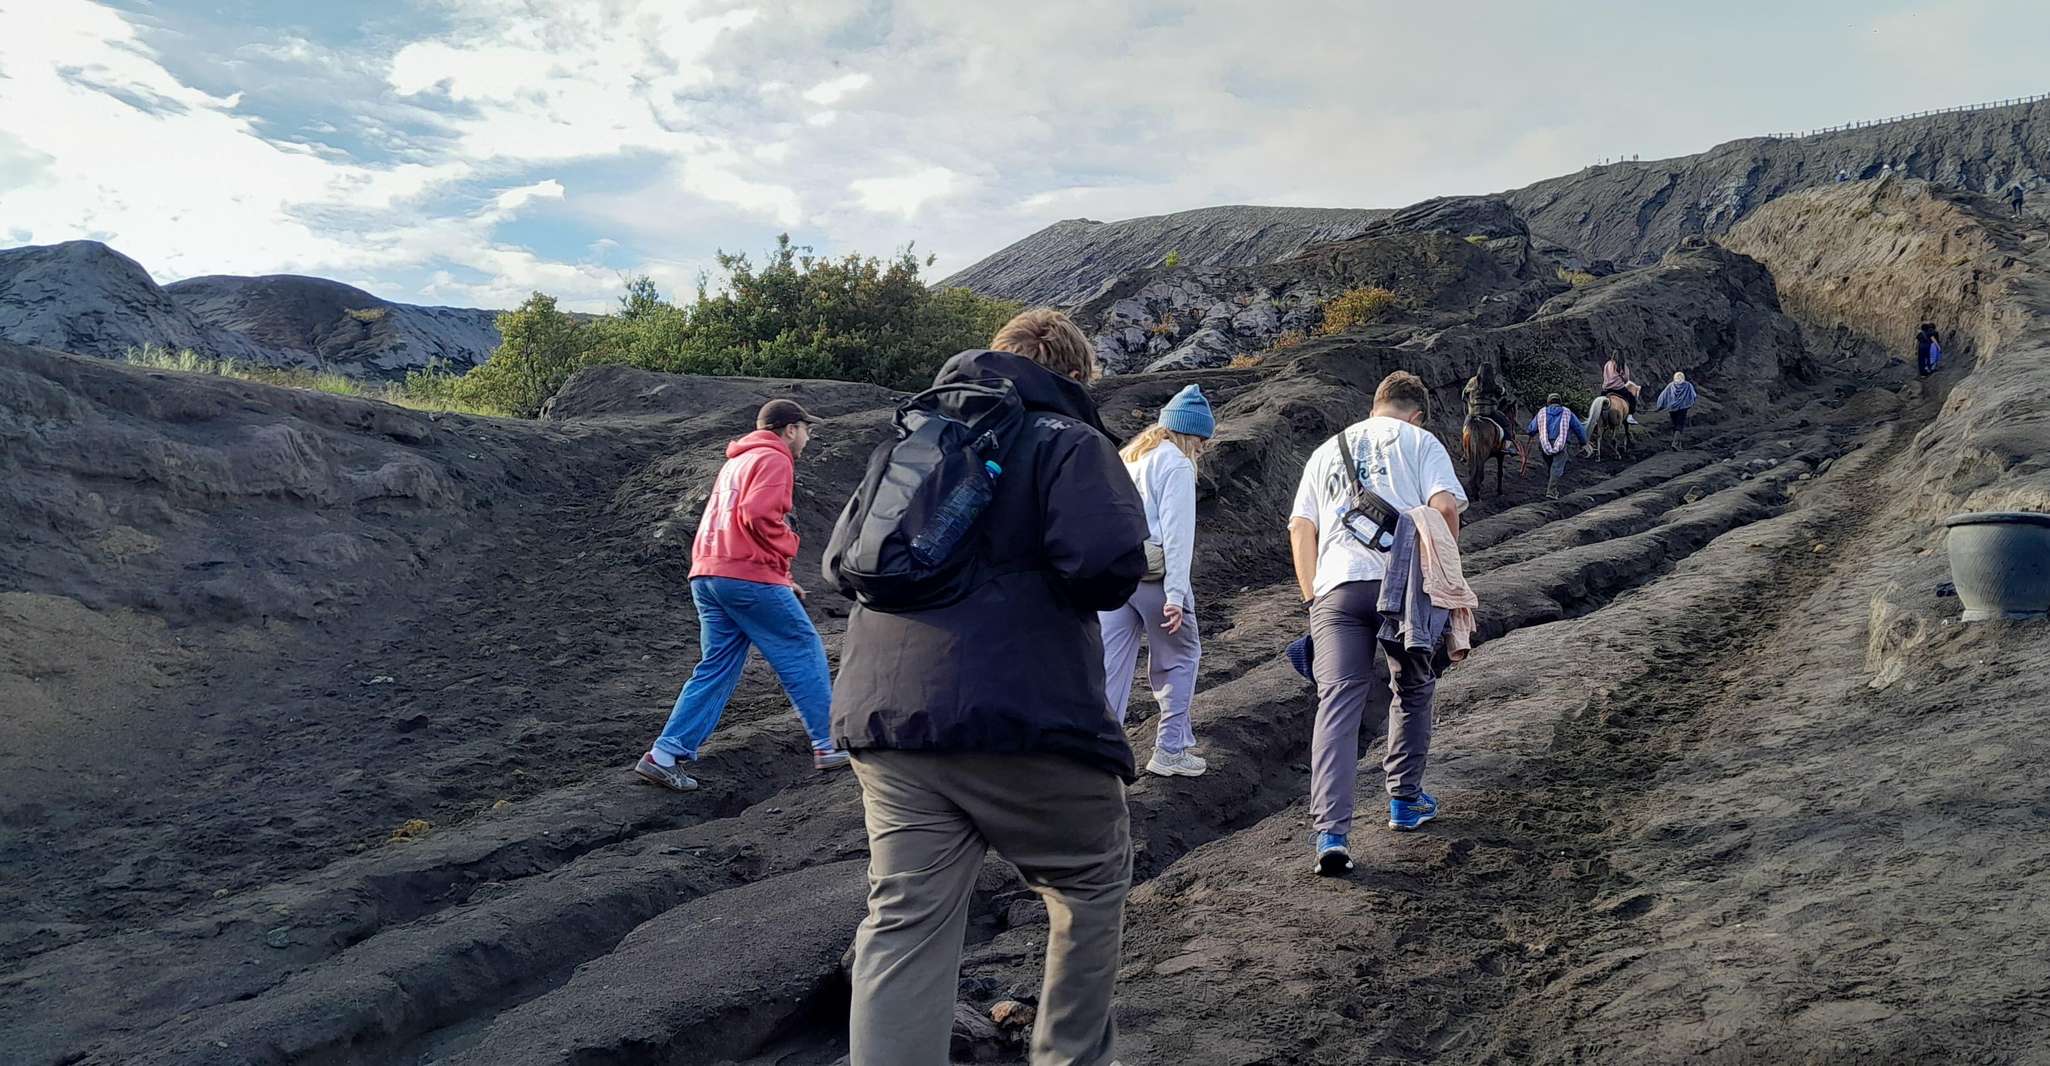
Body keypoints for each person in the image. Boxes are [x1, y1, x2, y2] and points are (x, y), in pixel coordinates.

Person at [834, 309, 1150, 1066]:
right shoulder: (1070, 440)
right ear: (1074, 375)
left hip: (885, 719)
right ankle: (1068, 1056)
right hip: (1023, 714)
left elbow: (849, 562)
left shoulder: (912, 438)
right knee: (1088, 882)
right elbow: (1106, 568)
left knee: (904, 917)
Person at [1288, 370, 1468, 876]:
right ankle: (1404, 803)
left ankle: (1331, 835)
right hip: (1404, 585)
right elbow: (1446, 507)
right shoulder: (1420, 440)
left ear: (1374, 406)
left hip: (1336, 589)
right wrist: (1442, 571)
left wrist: (1312, 598)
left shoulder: (1325, 452)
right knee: (1411, 688)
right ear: (1415, 413)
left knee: (1338, 704)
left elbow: (1302, 528)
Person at [634, 399, 851, 792]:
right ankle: (829, 743)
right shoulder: (776, 458)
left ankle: (664, 755)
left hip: (709, 576)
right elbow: (758, 515)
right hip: (745, 577)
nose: (808, 436)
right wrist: (788, 545)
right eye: (806, 428)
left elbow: (734, 522)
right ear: (789, 429)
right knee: (802, 647)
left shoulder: (737, 461)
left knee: (717, 666)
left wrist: (779, 575)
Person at [1101, 384, 1214, 777]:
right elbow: (1179, 536)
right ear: (1189, 433)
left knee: (1108, 666)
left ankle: (1102, 756)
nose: (1201, 449)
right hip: (1154, 577)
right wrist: (1177, 596)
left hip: (1115, 575)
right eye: (1201, 440)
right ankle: (1170, 750)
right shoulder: (1176, 465)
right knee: (1179, 659)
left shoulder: (1129, 458)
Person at [1527, 393, 1589, 499]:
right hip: (1562, 444)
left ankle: (1552, 487)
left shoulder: (1541, 413)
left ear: (1548, 402)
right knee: (1556, 467)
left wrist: (1531, 433)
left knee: (1552, 466)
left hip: (1544, 445)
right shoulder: (1567, 413)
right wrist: (1583, 441)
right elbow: (1579, 428)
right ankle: (1551, 492)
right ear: (1560, 402)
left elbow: (1531, 428)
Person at [1461, 362, 1517, 456]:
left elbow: (1464, 395)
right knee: (1506, 424)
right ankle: (1507, 447)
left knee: (1465, 428)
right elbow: (1502, 393)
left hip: (1473, 413)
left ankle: (1465, 450)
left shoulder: (1472, 381)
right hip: (1490, 412)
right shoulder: (1493, 381)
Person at [1653, 372, 1699, 449]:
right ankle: (1675, 443)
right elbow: (1693, 395)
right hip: (1682, 408)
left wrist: (1660, 407)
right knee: (1680, 425)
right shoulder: (1688, 385)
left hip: (1672, 408)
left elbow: (1663, 396)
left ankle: (1678, 444)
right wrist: (1689, 404)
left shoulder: (1670, 386)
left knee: (1675, 425)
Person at [1601, 357, 1642, 425]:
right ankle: (1630, 416)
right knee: (1632, 399)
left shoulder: (1607, 364)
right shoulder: (1622, 365)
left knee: (1599, 402)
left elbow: (1604, 375)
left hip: (1606, 389)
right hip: (1619, 389)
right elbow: (1626, 379)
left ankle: (1596, 419)